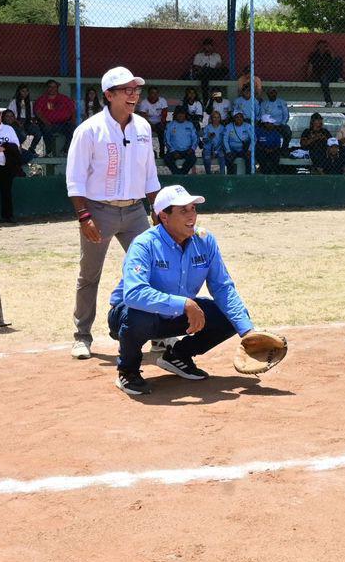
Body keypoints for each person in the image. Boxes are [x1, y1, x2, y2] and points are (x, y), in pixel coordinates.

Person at [106, 185, 275, 396]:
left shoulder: (205, 241)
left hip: (174, 315)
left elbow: (222, 287)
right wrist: (184, 304)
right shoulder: (144, 244)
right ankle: (128, 371)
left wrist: (247, 331)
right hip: (128, 316)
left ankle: (178, 356)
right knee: (139, 313)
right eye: (183, 210)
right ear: (164, 217)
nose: (191, 215)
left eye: (193, 208)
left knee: (228, 315)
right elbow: (133, 294)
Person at [65, 66, 161, 360]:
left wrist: (158, 213)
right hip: (99, 211)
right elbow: (75, 178)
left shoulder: (143, 128)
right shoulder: (89, 130)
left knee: (154, 271)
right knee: (89, 274)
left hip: (135, 211)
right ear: (109, 95)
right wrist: (84, 216)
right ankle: (82, 335)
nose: (133, 95)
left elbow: (150, 176)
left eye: (136, 90)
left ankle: (158, 336)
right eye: (127, 90)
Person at [35, 79, 77, 157]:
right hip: (48, 124)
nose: (52, 89)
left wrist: (73, 121)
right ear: (47, 88)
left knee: (73, 129)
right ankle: (49, 152)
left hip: (63, 124)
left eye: (54, 87)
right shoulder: (42, 99)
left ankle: (65, 151)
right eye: (50, 87)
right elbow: (38, 112)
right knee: (45, 130)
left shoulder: (64, 99)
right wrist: (46, 122)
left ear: (57, 88)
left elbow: (73, 110)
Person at [9, 84, 43, 159]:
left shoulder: (29, 103)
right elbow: (11, 115)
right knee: (23, 135)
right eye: (23, 91)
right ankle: (17, 149)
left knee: (38, 133)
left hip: (27, 122)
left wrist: (34, 123)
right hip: (17, 122)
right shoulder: (14, 102)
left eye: (26, 91)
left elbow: (32, 116)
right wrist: (18, 123)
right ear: (19, 92)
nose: (25, 93)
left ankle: (32, 148)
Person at [163, 106, 200, 175]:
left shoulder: (190, 125)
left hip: (187, 150)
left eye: (182, 113)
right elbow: (166, 140)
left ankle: (181, 174)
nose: (180, 115)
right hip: (174, 151)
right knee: (166, 159)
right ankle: (177, 173)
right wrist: (173, 151)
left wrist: (192, 149)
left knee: (192, 159)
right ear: (175, 115)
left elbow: (196, 138)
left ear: (185, 114)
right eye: (178, 113)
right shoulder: (170, 125)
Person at [306, 39, 344, 104]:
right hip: (320, 75)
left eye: (324, 46)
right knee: (324, 81)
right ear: (317, 47)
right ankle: (328, 101)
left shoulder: (328, 55)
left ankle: (338, 78)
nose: (322, 48)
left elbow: (334, 61)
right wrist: (308, 78)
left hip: (330, 74)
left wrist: (330, 50)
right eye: (320, 46)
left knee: (338, 59)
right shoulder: (314, 55)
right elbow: (310, 67)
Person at [138, 87, 170, 156]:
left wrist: (161, 123)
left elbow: (164, 115)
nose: (154, 95)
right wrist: (151, 125)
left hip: (160, 123)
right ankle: (148, 152)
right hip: (147, 123)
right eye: (152, 93)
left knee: (163, 129)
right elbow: (143, 117)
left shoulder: (162, 101)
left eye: (156, 93)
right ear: (148, 94)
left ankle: (162, 151)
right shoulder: (144, 102)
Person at [202, 110, 229, 174]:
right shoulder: (207, 127)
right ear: (211, 118)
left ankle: (222, 176)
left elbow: (224, 140)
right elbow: (204, 141)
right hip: (208, 149)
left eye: (218, 117)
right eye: (214, 117)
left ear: (220, 118)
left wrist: (216, 150)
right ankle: (209, 175)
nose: (216, 119)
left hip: (219, 149)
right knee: (207, 159)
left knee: (222, 159)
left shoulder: (222, 128)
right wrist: (209, 137)